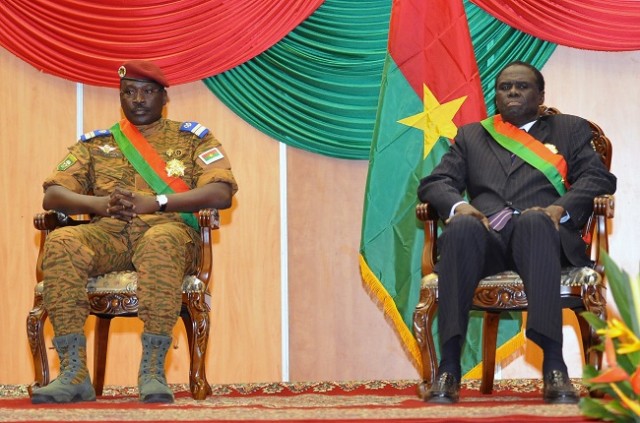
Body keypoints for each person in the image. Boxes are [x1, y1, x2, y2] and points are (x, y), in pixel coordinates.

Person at [31, 60, 238, 404]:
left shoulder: (191, 139)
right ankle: (73, 373)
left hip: (167, 231)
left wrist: (156, 202)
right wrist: (101, 206)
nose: (138, 99)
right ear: (121, 97)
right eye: (129, 92)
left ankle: (153, 370)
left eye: (147, 91)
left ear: (164, 97)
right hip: (109, 234)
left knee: (160, 241)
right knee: (64, 241)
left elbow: (221, 192)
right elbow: (53, 194)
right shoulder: (98, 144)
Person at [417, 61, 616, 404]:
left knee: (536, 222)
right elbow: (436, 182)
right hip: (486, 238)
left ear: (540, 95)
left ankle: (555, 368)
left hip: (541, 235)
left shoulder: (570, 130)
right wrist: (459, 207)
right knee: (462, 226)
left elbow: (598, 179)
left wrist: (559, 208)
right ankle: (449, 369)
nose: (511, 92)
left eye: (521, 87)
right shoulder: (472, 135)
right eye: (504, 87)